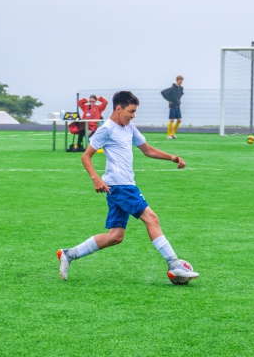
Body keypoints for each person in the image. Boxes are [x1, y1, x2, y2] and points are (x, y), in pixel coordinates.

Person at [56, 90, 199, 282]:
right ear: (118, 109)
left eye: (134, 112)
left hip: (118, 186)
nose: (133, 116)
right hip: (121, 186)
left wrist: (172, 157)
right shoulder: (106, 129)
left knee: (115, 236)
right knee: (152, 218)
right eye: (131, 111)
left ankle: (69, 254)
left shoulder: (129, 127)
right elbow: (85, 156)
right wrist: (95, 178)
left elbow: (147, 150)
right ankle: (174, 264)